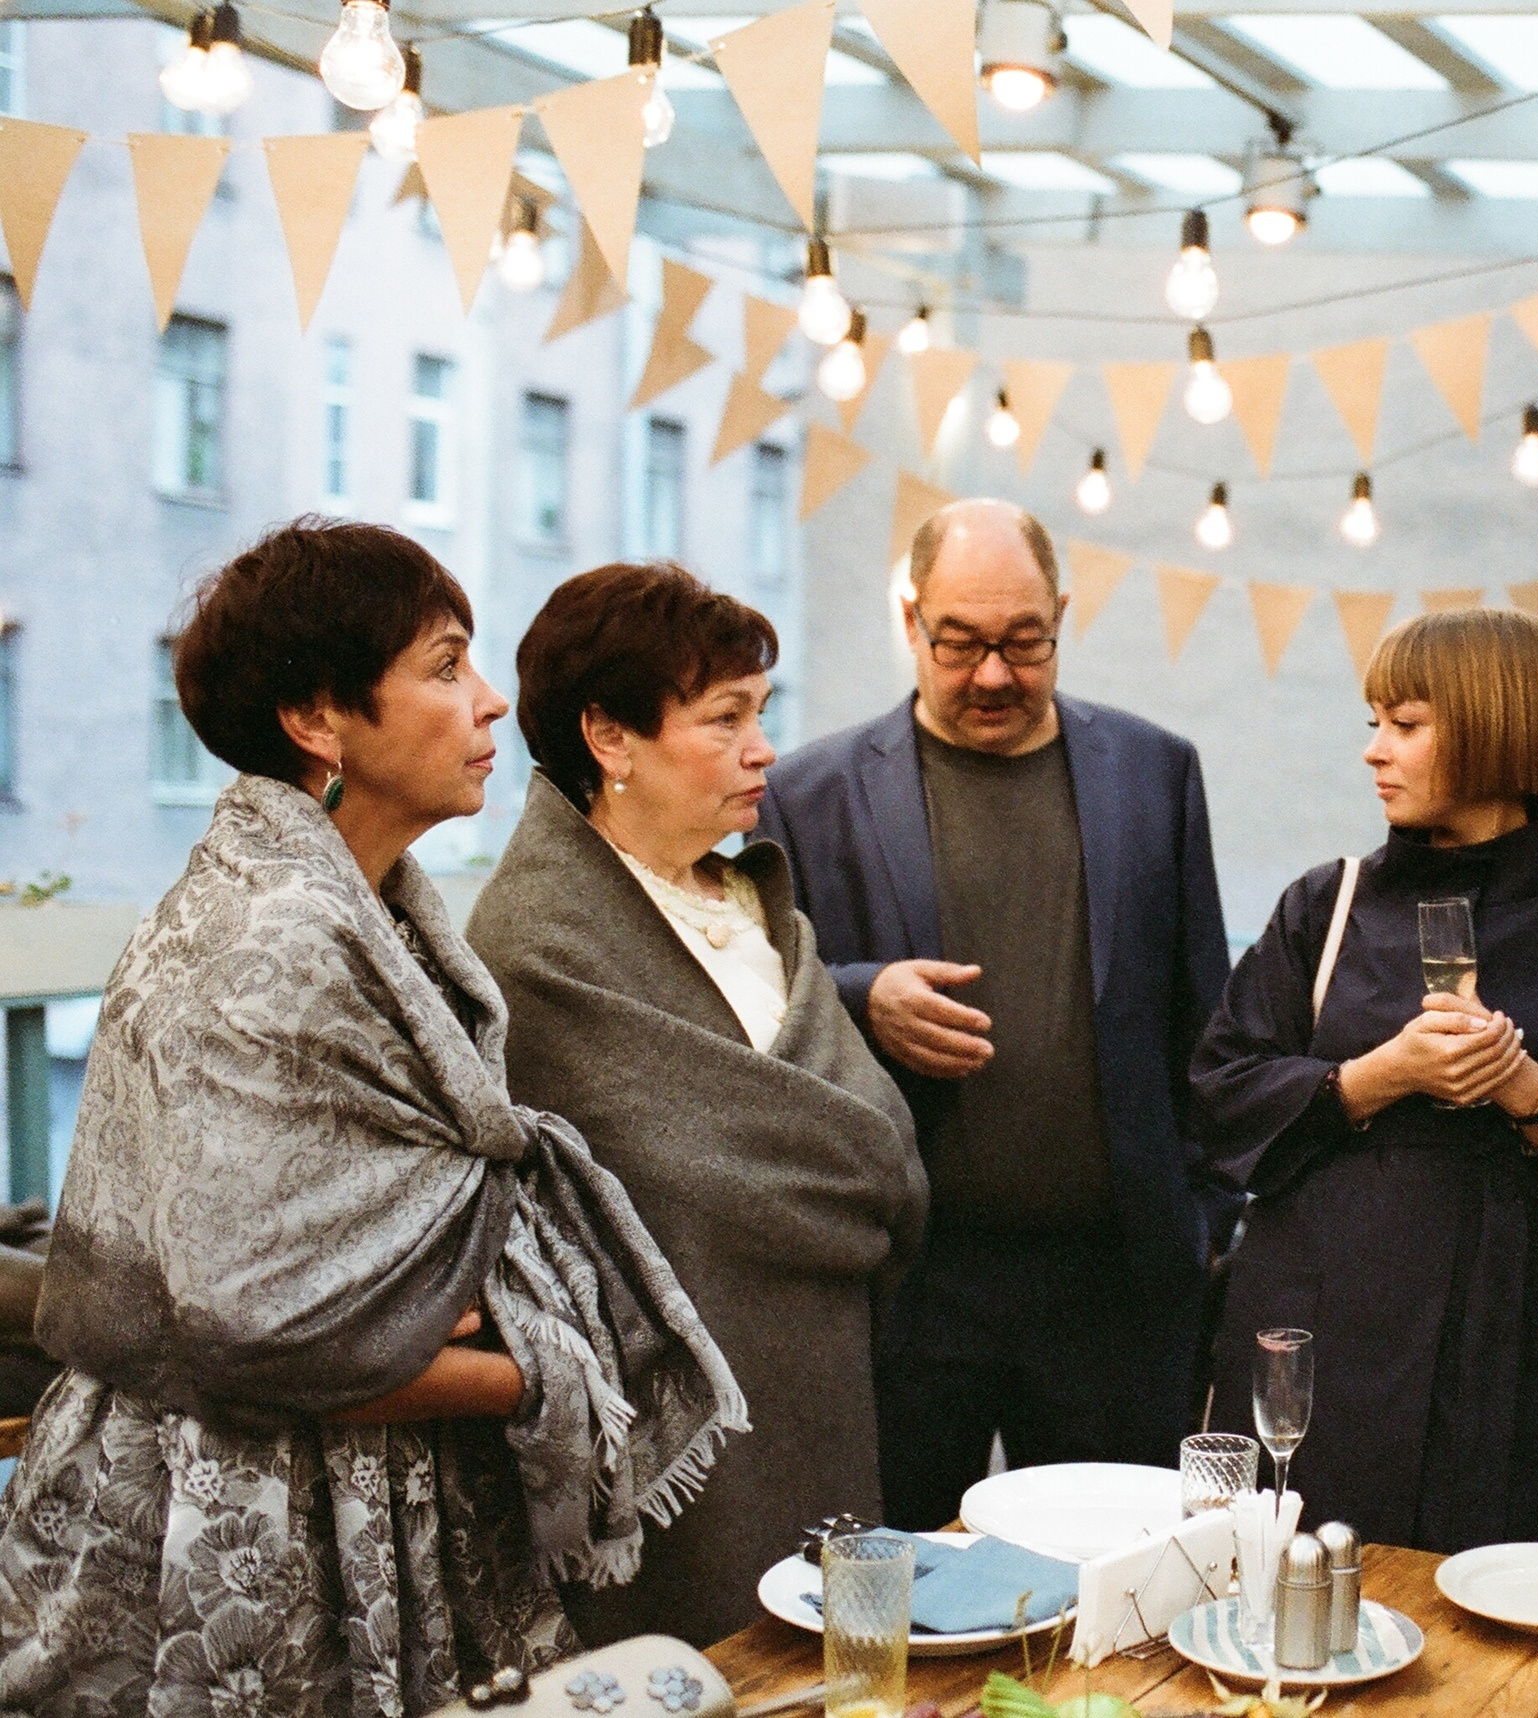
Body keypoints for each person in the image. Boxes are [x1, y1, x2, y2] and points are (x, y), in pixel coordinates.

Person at [0, 521, 743, 1712]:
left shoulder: (367, 911)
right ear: (319, 718)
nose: (493, 702)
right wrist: (523, 1372)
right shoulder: (272, 940)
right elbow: (263, 1318)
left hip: (357, 1488)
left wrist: (439, 1298)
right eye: (447, 666)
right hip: (243, 1517)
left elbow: (370, 1267)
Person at [469, 563, 929, 1647]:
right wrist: (867, 1157)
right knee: (710, 1671)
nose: (761, 748)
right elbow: (818, 1161)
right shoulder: (537, 946)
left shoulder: (760, 903)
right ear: (609, 736)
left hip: (829, 1383)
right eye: (724, 718)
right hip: (685, 1445)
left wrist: (868, 1157)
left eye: (760, 714)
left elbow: (875, 1154)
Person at [757, 499, 1231, 1531]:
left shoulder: (1157, 772)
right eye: (960, 643)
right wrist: (858, 993)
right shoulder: (808, 792)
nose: (993, 675)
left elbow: (1208, 1026)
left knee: (1114, 1595)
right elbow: (754, 998)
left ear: (1061, 614)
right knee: (906, 1594)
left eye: (1025, 642)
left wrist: (1206, 1223)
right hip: (914, 1286)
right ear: (911, 616)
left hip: (1114, 1284)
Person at [1191, 609, 1538, 1551]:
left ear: (1496, 727)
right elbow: (1218, 1092)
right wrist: (1374, 1076)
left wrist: (1531, 1095)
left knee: (1470, 1629)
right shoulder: (1324, 902)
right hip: (1313, 1331)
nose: (1374, 752)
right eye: (1372, 721)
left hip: (1496, 1345)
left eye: (1406, 724)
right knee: (1282, 1598)